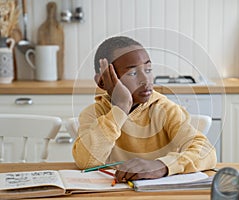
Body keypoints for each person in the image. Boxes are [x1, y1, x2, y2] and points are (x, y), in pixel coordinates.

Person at [72, 36, 217, 183]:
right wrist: (121, 108)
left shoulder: (165, 110)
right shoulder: (93, 114)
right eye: (132, 73)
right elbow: (86, 161)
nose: (145, 80)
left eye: (148, 70)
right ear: (103, 81)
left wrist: (161, 166)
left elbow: (206, 152)